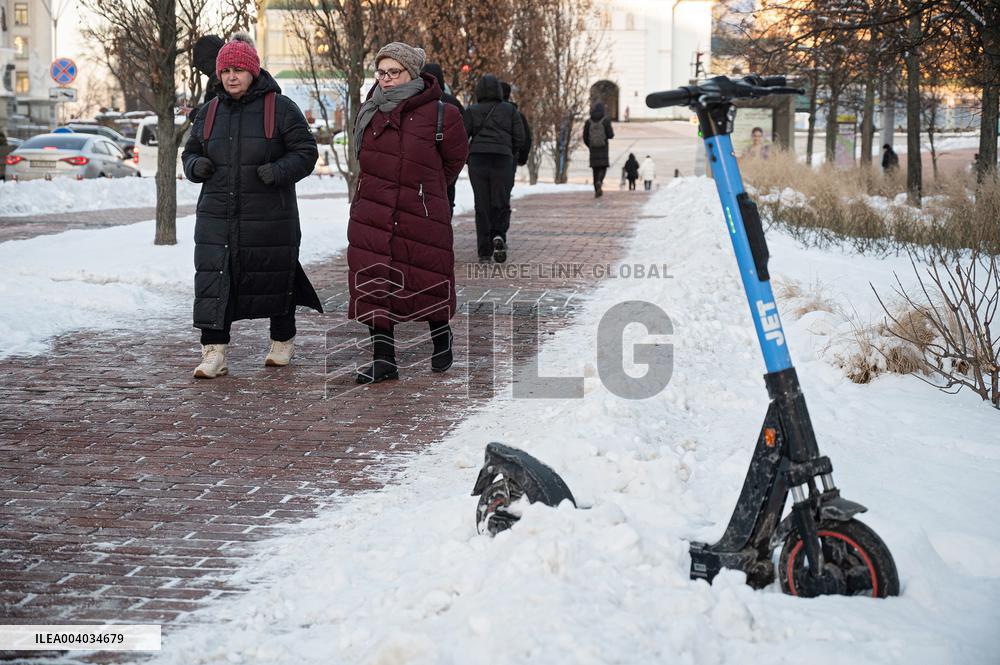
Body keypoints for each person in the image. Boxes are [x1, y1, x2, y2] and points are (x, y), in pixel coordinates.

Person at [182, 32, 322, 379]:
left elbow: (306, 153)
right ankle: (214, 352)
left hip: (269, 215)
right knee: (214, 280)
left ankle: (282, 340)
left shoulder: (281, 107)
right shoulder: (209, 112)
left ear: (253, 72)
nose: (231, 76)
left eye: (238, 70)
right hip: (217, 215)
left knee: (275, 275)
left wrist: (277, 171)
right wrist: (195, 166)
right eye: (225, 70)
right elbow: (191, 152)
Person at [348, 42, 468, 385]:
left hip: (420, 212)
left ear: (412, 73)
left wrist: (425, 190)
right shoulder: (368, 110)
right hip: (372, 210)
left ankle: (441, 340)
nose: (386, 79)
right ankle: (383, 360)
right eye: (381, 73)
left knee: (428, 278)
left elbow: (454, 161)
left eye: (394, 72)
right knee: (374, 283)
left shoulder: (443, 112)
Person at [463, 74, 525, 263]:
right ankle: (499, 235)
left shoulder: (472, 110)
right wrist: (509, 151)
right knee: (501, 201)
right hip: (502, 160)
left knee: (482, 204)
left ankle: (484, 250)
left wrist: (469, 156)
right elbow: (520, 137)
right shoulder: (510, 110)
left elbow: (462, 136)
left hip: (478, 161)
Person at [422, 62, 463, 211]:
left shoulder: (418, 100)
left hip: (423, 158)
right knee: (447, 194)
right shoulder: (453, 102)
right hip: (447, 159)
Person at [582, 102, 614, 197]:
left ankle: (596, 190)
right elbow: (610, 135)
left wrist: (590, 145)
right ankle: (600, 181)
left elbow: (585, 137)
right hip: (603, 148)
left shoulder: (588, 121)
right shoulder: (606, 120)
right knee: (603, 167)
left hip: (593, 149)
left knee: (595, 169)